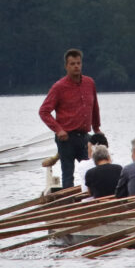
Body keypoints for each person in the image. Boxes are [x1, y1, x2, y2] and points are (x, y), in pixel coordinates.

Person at [38, 48, 103, 189]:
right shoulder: (59, 87)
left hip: (84, 137)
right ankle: (68, 204)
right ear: (66, 66)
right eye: (72, 64)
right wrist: (58, 129)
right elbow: (44, 111)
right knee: (68, 175)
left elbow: (94, 107)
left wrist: (97, 128)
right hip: (66, 137)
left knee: (90, 171)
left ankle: (91, 200)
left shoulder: (89, 83)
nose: (76, 66)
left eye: (78, 63)